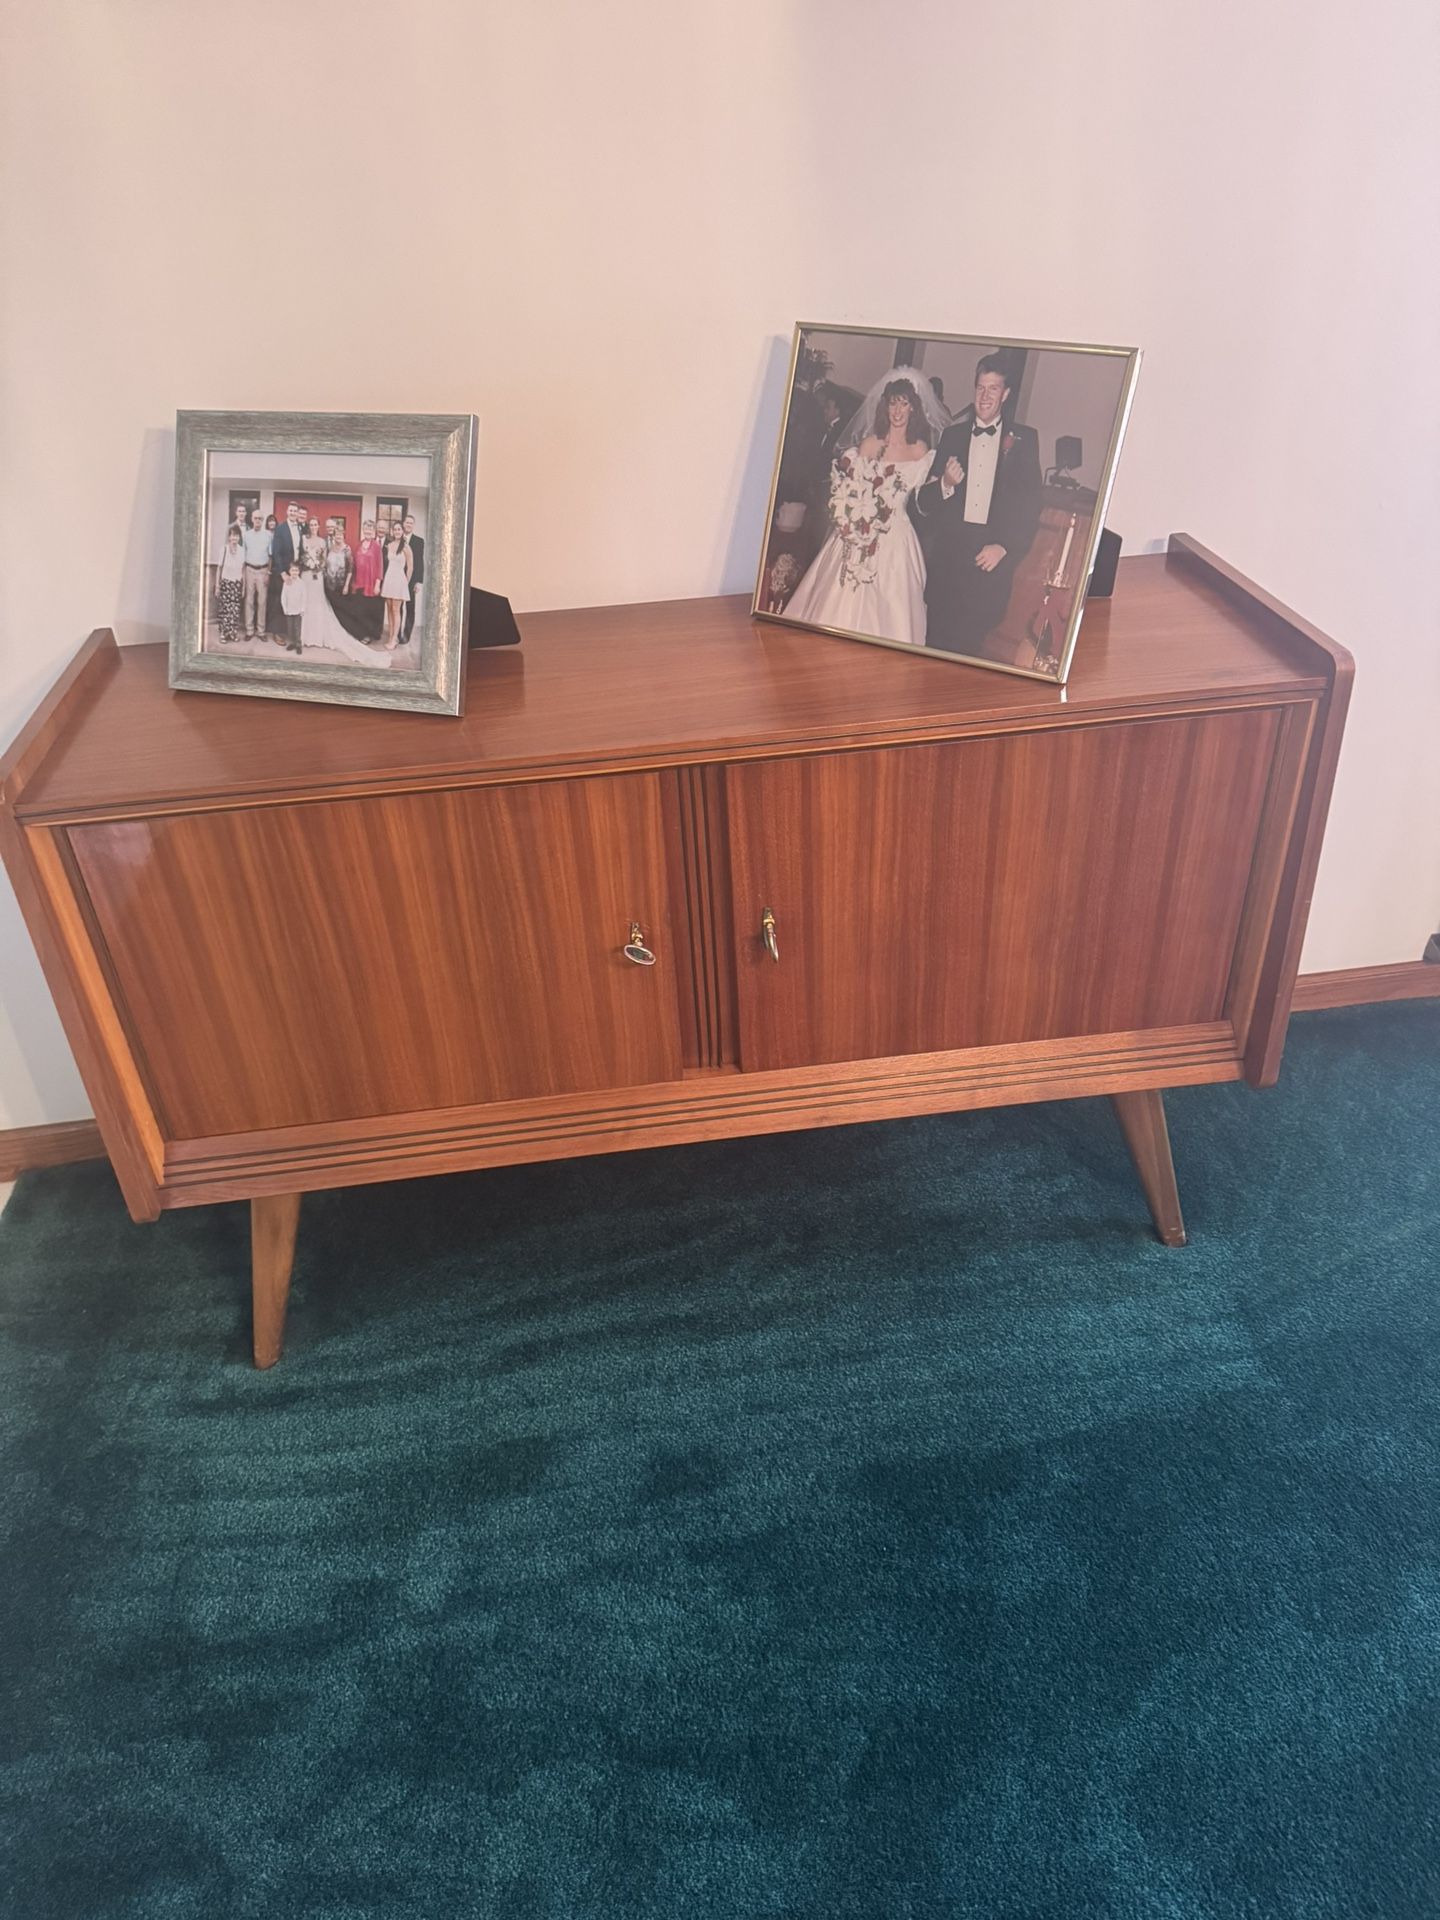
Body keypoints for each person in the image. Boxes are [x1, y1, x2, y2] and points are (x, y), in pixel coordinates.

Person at [781, 369, 943, 647]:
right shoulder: (869, 445)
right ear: (885, 406)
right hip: (857, 533)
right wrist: (850, 515)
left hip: (896, 538)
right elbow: (851, 489)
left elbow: (921, 503)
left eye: (904, 403)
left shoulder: (920, 451)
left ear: (914, 408)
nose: (897, 410)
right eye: (893, 403)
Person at [910, 353, 1042, 656]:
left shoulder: (1024, 440)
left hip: (988, 563)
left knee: (971, 649)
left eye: (993, 389)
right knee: (936, 645)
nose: (985, 396)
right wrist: (945, 484)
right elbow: (924, 506)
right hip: (949, 562)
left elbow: (1030, 505)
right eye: (980, 388)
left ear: (1005, 394)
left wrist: (1005, 546)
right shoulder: (952, 436)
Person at [269, 502, 306, 636]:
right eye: (291, 510)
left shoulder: (299, 529)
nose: (293, 513)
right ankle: (277, 634)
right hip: (283, 572)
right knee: (280, 602)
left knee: (292, 601)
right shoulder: (280, 529)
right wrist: (283, 573)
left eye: (295, 511)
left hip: (295, 572)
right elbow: (276, 552)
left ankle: (290, 632)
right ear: (287, 512)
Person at [240, 507, 273, 638]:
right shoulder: (246, 535)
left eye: (260, 518)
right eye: (255, 518)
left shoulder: (268, 536)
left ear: (263, 520)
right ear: (252, 519)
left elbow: (271, 556)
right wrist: (242, 574)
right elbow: (243, 555)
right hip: (249, 570)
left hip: (263, 571)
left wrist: (268, 573)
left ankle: (261, 631)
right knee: (249, 601)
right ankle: (249, 630)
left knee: (262, 601)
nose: (258, 520)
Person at [380, 521, 412, 649]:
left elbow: (410, 567)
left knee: (396, 609)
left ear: (402, 531)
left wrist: (405, 583)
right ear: (392, 531)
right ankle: (391, 635)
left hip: (399, 580)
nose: (397, 531)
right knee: (389, 608)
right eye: (395, 529)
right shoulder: (389, 545)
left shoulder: (406, 547)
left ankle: (394, 638)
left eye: (399, 529)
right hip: (389, 578)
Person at [215, 526, 245, 641]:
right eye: (232, 535)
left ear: (239, 537)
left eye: (236, 535)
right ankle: (223, 633)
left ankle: (232, 632)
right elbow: (219, 568)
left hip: (237, 583)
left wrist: (243, 587)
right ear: (229, 537)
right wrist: (217, 586)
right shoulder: (224, 549)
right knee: (225, 608)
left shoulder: (242, 550)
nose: (234, 538)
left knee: (235, 609)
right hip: (226, 583)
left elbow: (243, 569)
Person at [401, 512, 424, 642]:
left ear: (413, 525)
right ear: (403, 524)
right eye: (407, 522)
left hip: (412, 580)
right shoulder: (397, 538)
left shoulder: (419, 541)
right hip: (397, 578)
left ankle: (406, 635)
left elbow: (420, 562)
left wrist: (419, 582)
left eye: (411, 523)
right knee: (397, 607)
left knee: (410, 607)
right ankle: (397, 633)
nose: (408, 525)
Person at [353, 519, 384, 596]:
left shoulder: (377, 546)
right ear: (363, 530)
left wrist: (377, 585)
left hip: (371, 584)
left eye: (370, 529)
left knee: (369, 606)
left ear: (373, 531)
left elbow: (380, 567)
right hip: (358, 583)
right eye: (366, 529)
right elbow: (354, 565)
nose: (368, 531)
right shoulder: (358, 545)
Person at [279, 563, 305, 653]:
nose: (294, 572)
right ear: (289, 571)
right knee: (290, 628)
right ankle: (292, 643)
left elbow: (304, 596)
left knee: (297, 628)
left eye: (296, 570)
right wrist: (284, 608)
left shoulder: (301, 583)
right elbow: (283, 596)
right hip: (289, 609)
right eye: (293, 570)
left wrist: (302, 608)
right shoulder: (286, 583)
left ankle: (298, 644)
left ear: (299, 572)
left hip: (298, 610)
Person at [324, 525, 354, 599]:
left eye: (340, 534)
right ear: (333, 536)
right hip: (329, 585)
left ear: (343, 536)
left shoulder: (347, 549)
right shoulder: (330, 548)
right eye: (337, 534)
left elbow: (350, 569)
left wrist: (346, 585)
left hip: (342, 585)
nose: (339, 536)